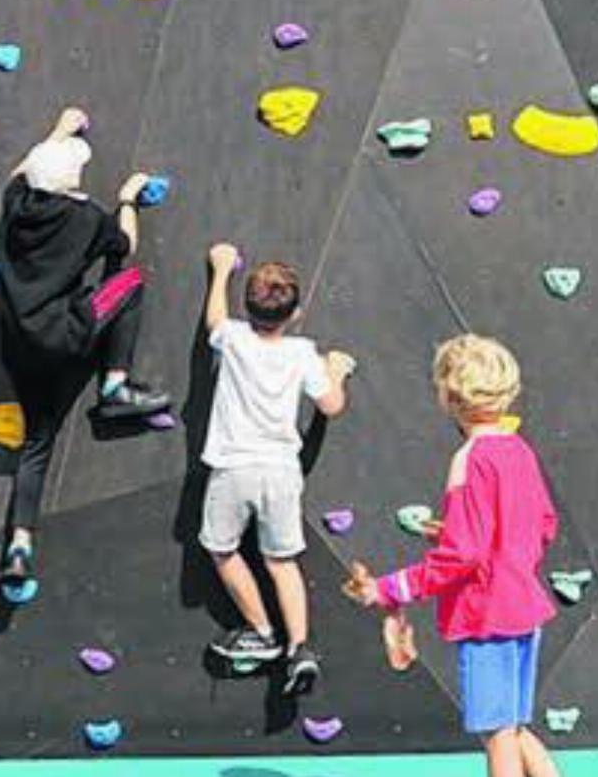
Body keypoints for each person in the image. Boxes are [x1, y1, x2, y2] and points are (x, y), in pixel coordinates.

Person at [352, 335, 560, 777]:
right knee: (515, 726)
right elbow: (542, 524)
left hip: (487, 614)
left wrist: (391, 587)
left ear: (448, 396)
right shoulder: (518, 450)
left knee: (497, 733)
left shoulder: (469, 459)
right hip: (523, 604)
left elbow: (462, 554)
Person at [0, 106, 171, 594]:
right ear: (72, 181)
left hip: (23, 347)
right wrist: (128, 199)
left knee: (36, 445)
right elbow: (125, 244)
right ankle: (115, 386)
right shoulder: (85, 218)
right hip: (70, 330)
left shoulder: (17, 204)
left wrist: (55, 131)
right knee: (129, 282)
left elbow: (18, 174)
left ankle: (20, 544)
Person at [200, 242, 354, 695]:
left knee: (221, 549)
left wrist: (221, 270)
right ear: (296, 313)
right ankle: (300, 646)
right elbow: (331, 404)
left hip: (233, 467)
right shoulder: (303, 353)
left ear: (248, 310)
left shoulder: (232, 337)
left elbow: (213, 320)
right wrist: (336, 369)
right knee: (281, 561)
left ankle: (263, 632)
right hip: (281, 471)